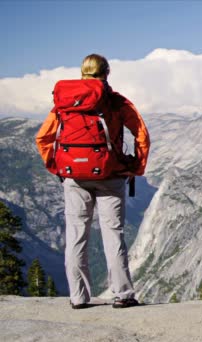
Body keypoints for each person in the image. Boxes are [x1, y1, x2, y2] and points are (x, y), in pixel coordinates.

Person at [35, 54, 150, 309]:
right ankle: (122, 295)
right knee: (113, 235)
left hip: (74, 179)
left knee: (76, 236)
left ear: (82, 74)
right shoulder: (116, 101)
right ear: (106, 73)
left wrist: (58, 167)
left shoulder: (64, 103)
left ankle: (78, 297)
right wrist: (135, 166)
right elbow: (141, 134)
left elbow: (43, 138)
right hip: (110, 176)